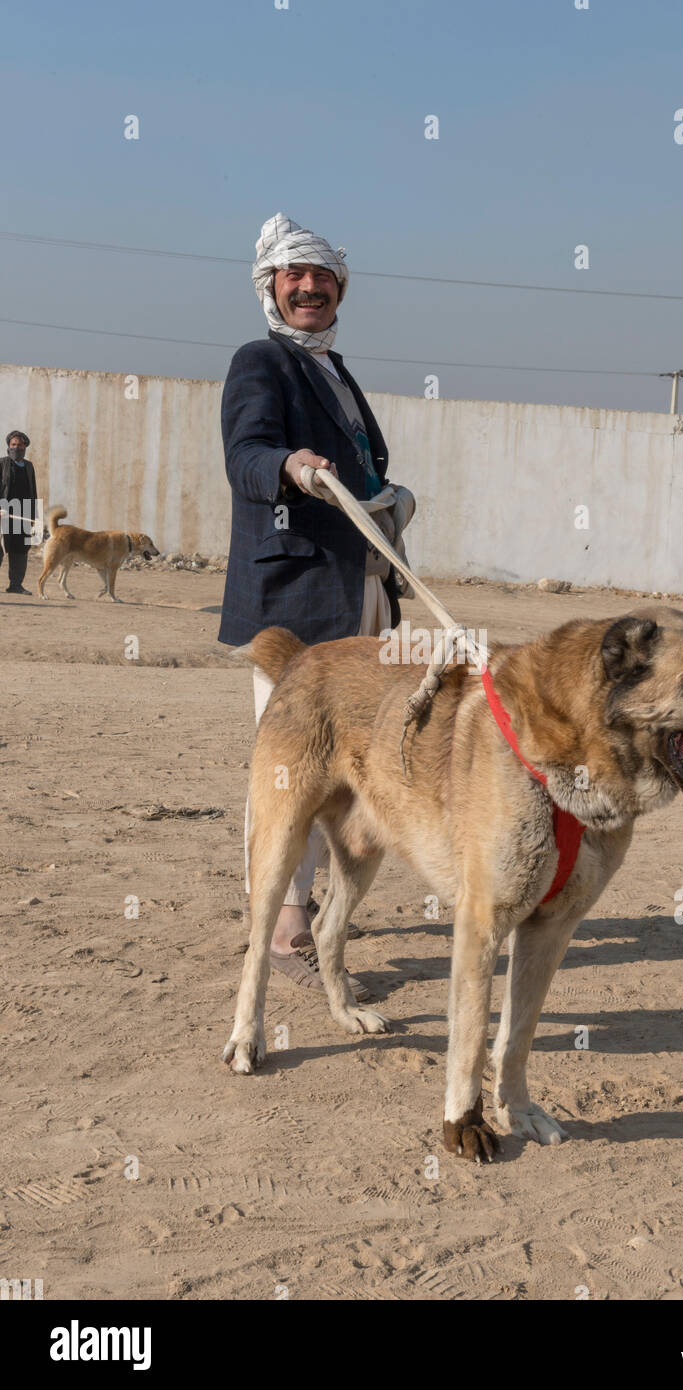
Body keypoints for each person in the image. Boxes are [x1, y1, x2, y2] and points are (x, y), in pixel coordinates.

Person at [219, 213, 408, 994]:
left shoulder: (333, 370)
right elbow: (246, 454)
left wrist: (387, 500)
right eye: (293, 277)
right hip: (295, 600)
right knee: (294, 770)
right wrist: (289, 464)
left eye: (321, 278)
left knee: (358, 765)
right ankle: (287, 928)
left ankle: (322, 911)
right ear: (269, 286)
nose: (309, 288)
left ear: (339, 291)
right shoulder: (261, 360)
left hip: (361, 593)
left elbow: (356, 474)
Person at [0, 431, 39, 594]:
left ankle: (15, 585)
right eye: (13, 445)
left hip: (22, 513)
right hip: (3, 512)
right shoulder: (2, 463)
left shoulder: (29, 466)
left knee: (20, 550)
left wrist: (34, 516)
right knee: (0, 548)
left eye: (20, 445)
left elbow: (33, 490)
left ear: (25, 446)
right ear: (9, 446)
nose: (17, 448)